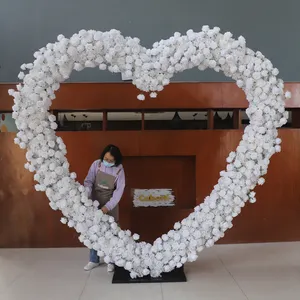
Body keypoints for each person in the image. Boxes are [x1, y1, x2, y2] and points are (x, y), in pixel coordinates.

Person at [83, 145, 125, 272]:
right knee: (93, 230)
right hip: (95, 200)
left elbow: (119, 192)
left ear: (116, 160)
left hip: (110, 202)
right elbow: (88, 181)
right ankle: (93, 259)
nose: (108, 162)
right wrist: (87, 194)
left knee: (111, 231)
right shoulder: (97, 165)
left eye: (111, 160)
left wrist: (106, 208)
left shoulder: (119, 170)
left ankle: (111, 260)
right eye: (106, 158)